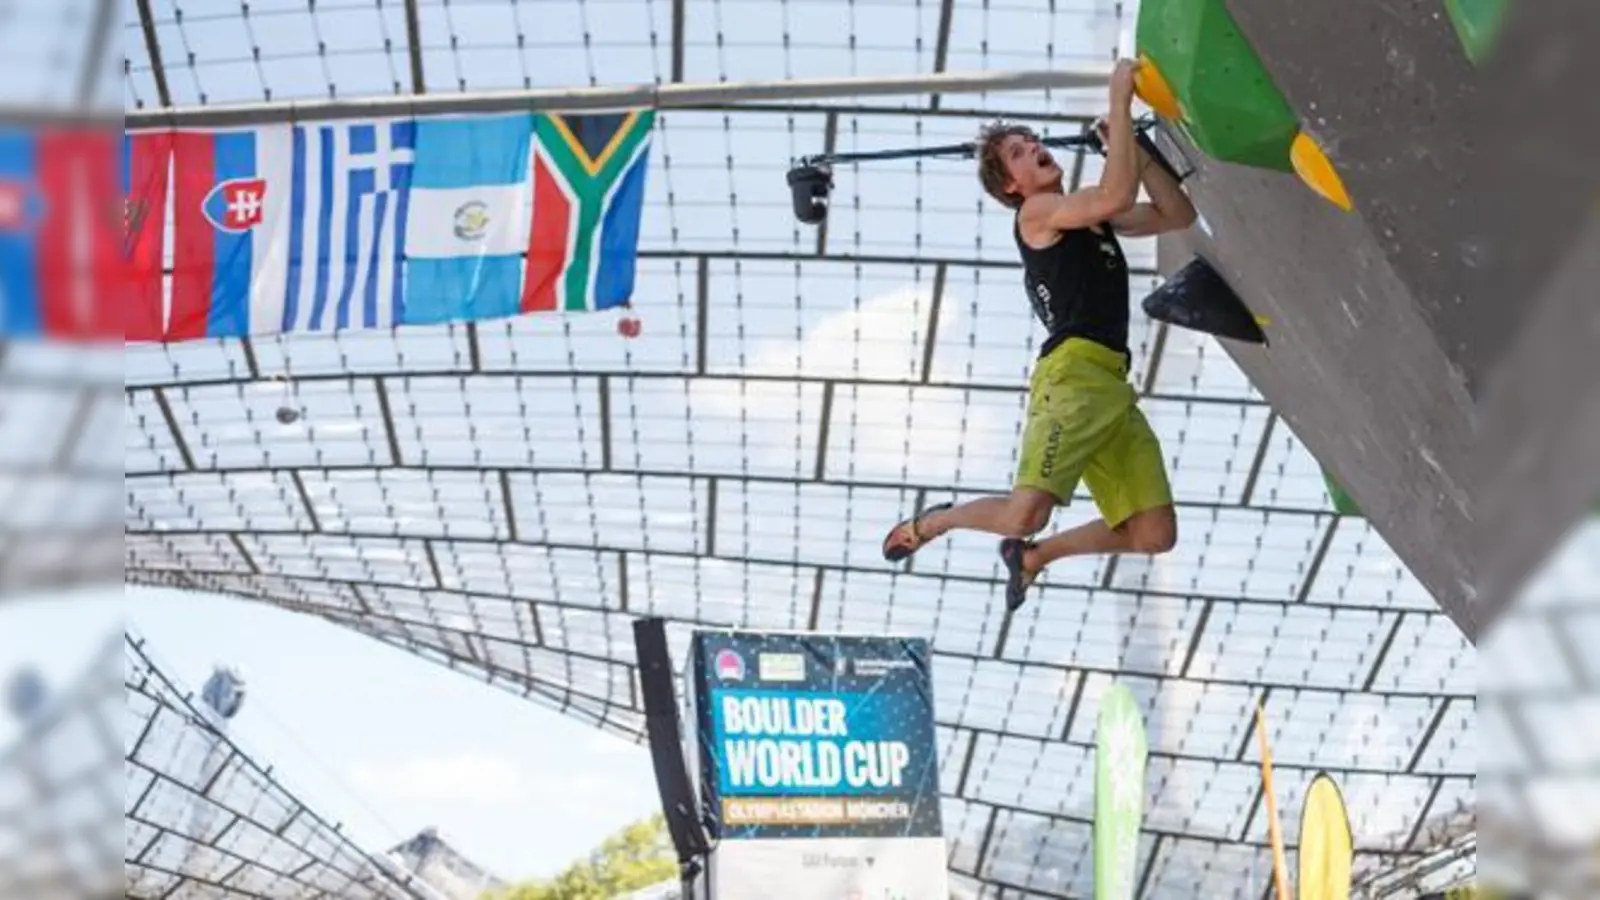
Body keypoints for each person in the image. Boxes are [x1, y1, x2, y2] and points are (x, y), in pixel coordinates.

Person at [880, 59, 1198, 611]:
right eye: (1018, 152)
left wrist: (1137, 152)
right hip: (1072, 380)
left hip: (1110, 383)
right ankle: (937, 520)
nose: (1032, 146)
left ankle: (1033, 557)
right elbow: (1115, 196)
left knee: (1154, 534)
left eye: (1031, 140)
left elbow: (1176, 213)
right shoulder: (1037, 211)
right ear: (1012, 184)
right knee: (1023, 513)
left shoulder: (1085, 215)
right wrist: (1119, 104)